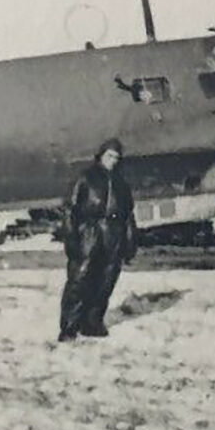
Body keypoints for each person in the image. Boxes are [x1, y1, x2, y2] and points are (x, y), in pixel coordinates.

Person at [58, 138, 138, 341]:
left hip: (113, 234)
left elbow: (128, 215)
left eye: (116, 158)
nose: (113, 161)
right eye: (109, 156)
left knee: (105, 281)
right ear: (101, 156)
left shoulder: (122, 184)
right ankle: (69, 327)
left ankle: (92, 323)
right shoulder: (86, 178)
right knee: (79, 281)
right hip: (90, 233)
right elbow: (70, 208)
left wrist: (130, 242)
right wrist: (71, 238)